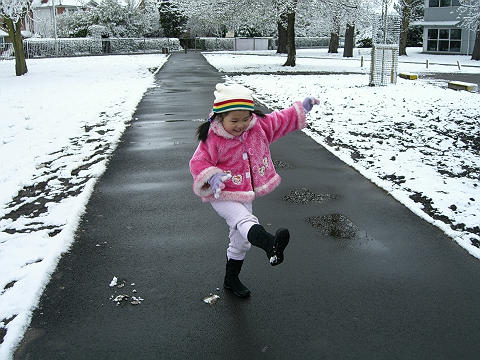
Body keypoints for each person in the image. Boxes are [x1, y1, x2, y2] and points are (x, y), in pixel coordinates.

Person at [189, 83, 319, 298]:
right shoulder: (213, 137)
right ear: (220, 117)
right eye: (234, 121)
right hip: (221, 194)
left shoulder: (257, 127)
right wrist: (212, 176)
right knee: (243, 220)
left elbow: (280, 120)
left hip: (244, 192)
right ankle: (270, 244)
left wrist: (301, 109)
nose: (240, 125)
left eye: (245, 119)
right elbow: (198, 162)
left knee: (240, 239)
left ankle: (231, 279)